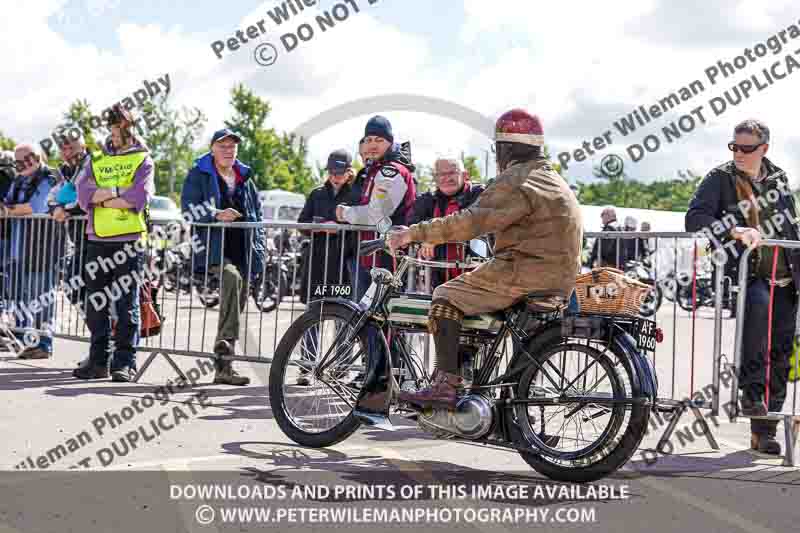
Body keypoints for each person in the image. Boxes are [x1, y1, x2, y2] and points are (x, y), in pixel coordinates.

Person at [387, 109, 583, 408]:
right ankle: (470, 379)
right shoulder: (550, 178)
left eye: (498, 148)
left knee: (445, 296)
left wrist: (413, 234)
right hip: (558, 277)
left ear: (505, 148)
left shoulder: (516, 179)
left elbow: (469, 223)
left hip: (524, 271)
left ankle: (444, 386)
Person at [686, 119, 800, 454]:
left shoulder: (779, 178)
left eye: (746, 148)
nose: (738, 153)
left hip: (787, 277)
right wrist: (735, 230)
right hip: (750, 275)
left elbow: (790, 226)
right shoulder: (719, 178)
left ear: (764, 148)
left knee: (781, 352)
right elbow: (695, 218)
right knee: (757, 323)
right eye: (734, 147)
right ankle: (752, 398)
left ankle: (765, 428)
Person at [74, 104, 154, 382]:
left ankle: (125, 363)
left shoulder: (142, 158)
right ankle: (98, 362)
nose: (115, 130)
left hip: (129, 241)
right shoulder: (96, 157)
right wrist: (116, 195)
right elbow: (83, 195)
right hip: (97, 239)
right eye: (112, 125)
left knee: (125, 304)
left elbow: (138, 198)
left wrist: (104, 196)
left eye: (120, 125)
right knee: (95, 303)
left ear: (129, 127)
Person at [181, 128, 266, 386]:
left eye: (232, 146)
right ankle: (226, 344)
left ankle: (224, 367)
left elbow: (258, 217)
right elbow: (188, 209)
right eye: (223, 146)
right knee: (230, 279)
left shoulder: (245, 177)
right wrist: (216, 213)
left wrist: (260, 252)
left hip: (243, 251)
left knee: (237, 304)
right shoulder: (199, 174)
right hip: (213, 250)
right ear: (212, 149)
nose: (228, 151)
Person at [336, 116, 417, 300]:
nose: (373, 145)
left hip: (388, 260)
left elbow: (376, 215)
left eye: (379, 140)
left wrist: (345, 213)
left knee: (383, 322)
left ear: (390, 142)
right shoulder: (375, 170)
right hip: (370, 258)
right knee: (363, 320)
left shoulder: (392, 171)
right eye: (369, 140)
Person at [295, 149, 356, 386]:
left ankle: (341, 368)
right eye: (332, 172)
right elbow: (302, 223)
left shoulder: (357, 194)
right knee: (313, 316)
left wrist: (340, 228)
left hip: (343, 267)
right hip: (319, 264)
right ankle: (306, 367)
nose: (336, 176)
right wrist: (319, 227)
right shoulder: (317, 194)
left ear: (349, 171)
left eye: (340, 172)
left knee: (343, 318)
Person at [1, 144, 60, 359]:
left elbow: (36, 207)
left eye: (27, 158)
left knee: (42, 297)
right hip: (19, 248)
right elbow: (7, 203)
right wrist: (8, 209)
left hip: (41, 249)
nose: (22, 164)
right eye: (18, 161)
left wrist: (7, 210)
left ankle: (44, 344)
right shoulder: (19, 180)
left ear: (38, 156)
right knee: (23, 298)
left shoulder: (50, 177)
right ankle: (28, 340)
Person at [408, 157, 484, 289]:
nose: (447, 178)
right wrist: (424, 239)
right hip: (435, 279)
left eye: (452, 173)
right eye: (441, 174)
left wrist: (434, 237)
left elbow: (470, 223)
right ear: (435, 177)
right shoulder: (426, 200)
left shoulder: (480, 195)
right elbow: (411, 227)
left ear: (465, 175)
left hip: (476, 276)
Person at [49, 133, 91, 310]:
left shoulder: (93, 165)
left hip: (98, 238)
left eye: (71, 148)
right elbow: (51, 197)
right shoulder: (65, 171)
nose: (67, 152)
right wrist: (56, 208)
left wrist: (64, 208)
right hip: (79, 239)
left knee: (92, 289)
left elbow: (86, 197)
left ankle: (111, 330)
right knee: (73, 288)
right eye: (63, 149)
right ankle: (104, 329)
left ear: (83, 147)